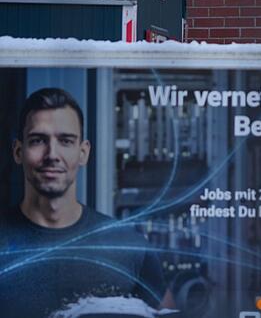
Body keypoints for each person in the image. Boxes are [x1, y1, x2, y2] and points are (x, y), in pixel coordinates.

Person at [0, 88, 174, 318]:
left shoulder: (129, 247)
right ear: (18, 151)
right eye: (38, 140)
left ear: (83, 153)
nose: (52, 154)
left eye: (66, 141)